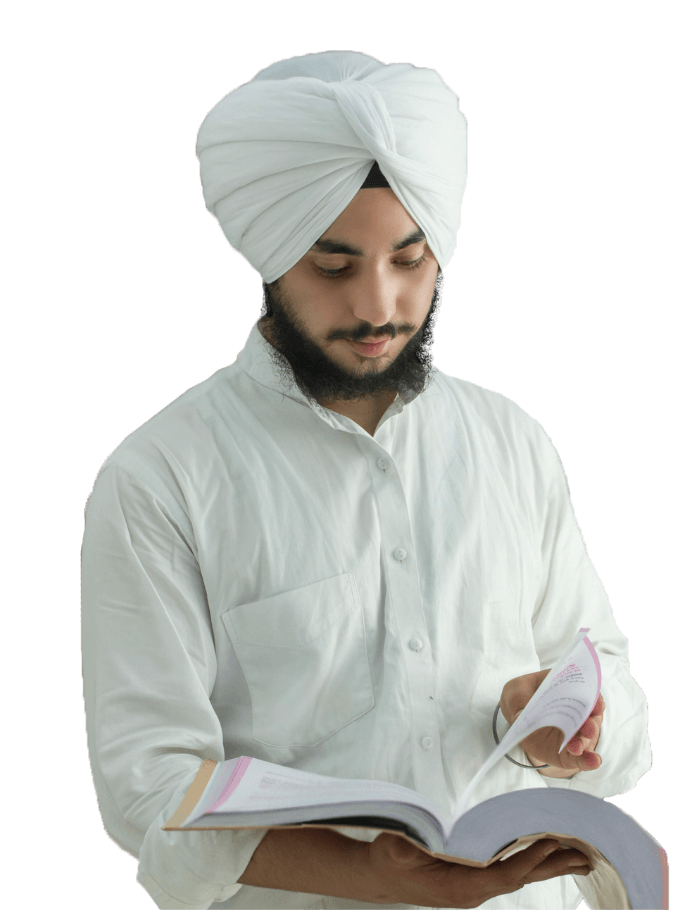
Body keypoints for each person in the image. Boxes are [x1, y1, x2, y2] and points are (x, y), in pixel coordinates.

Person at [81, 52, 651, 910]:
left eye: (411, 259)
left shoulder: (511, 442)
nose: (379, 307)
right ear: (268, 257)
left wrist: (547, 727)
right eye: (334, 267)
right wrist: (371, 875)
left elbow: (618, 710)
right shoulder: (163, 476)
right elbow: (146, 789)